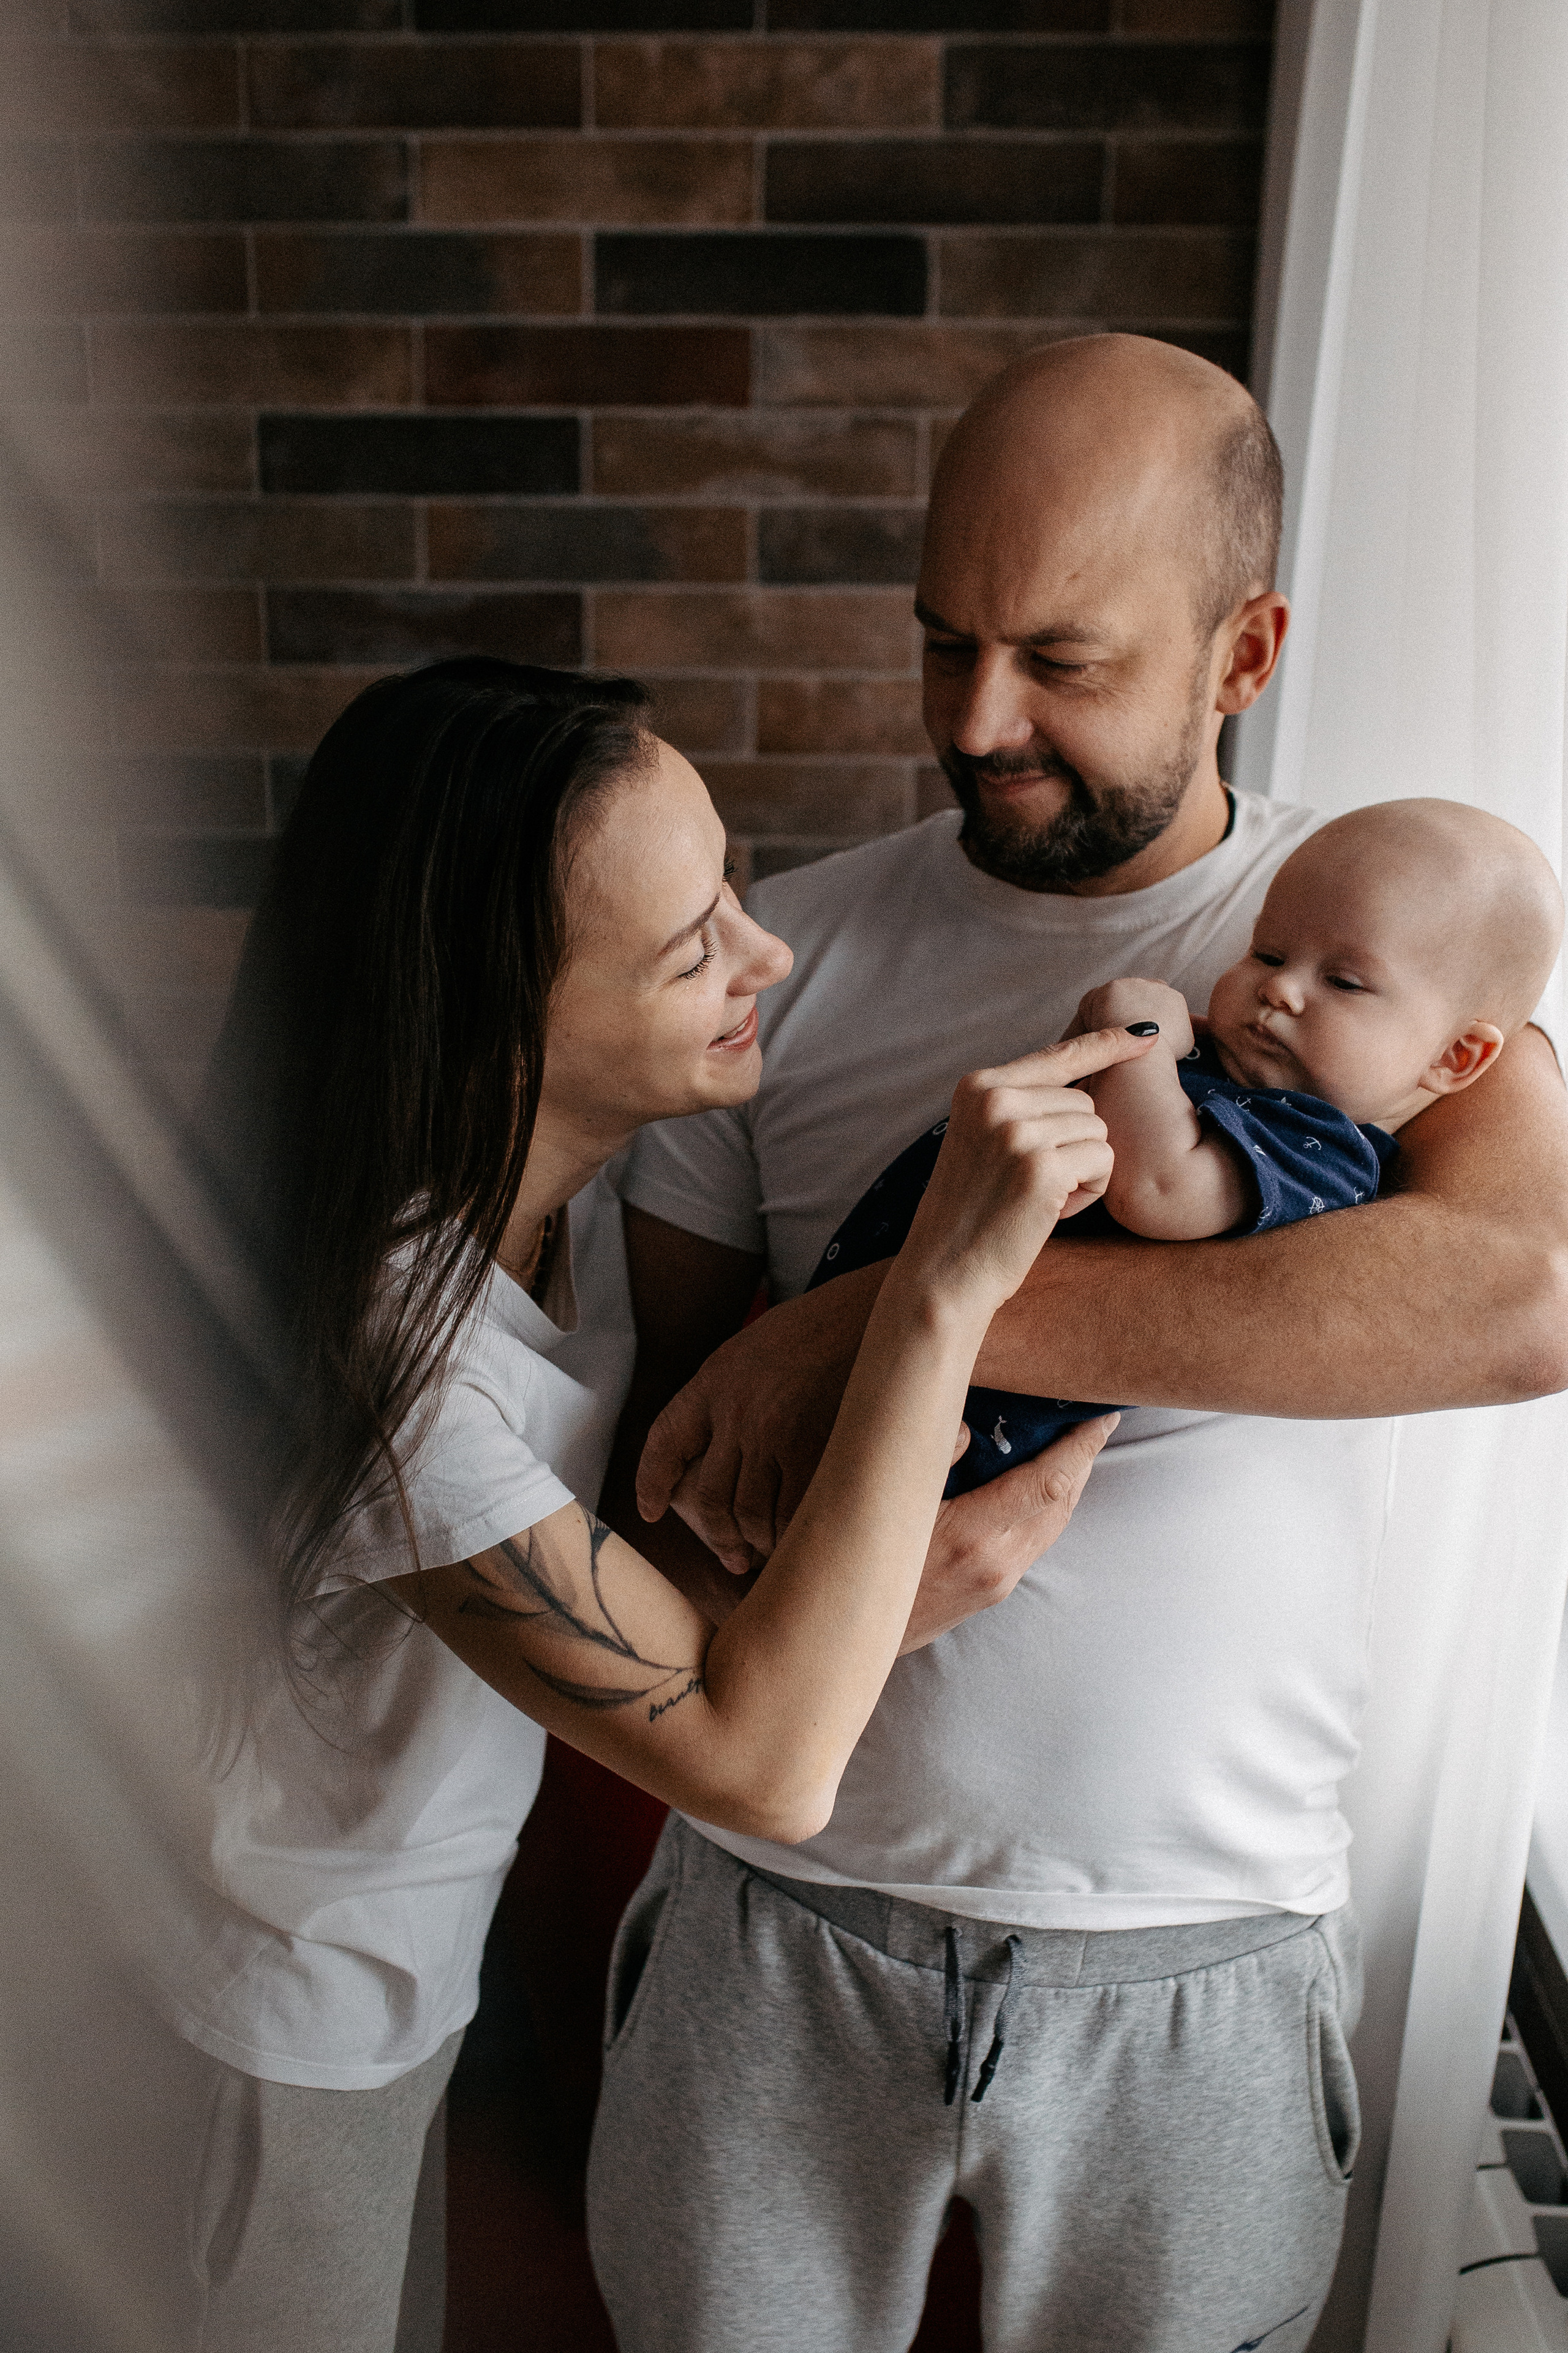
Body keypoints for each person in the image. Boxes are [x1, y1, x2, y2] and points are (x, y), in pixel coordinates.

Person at [586, 338, 1568, 2353]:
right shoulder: (776, 962)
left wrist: (889, 1318)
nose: (976, 720)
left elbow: (1520, 1298)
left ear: (1246, 648)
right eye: (946, 639)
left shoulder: (1370, 939)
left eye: (1062, 657)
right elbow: (659, 1482)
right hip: (779, 1931)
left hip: (1193, 1970)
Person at [160, 656, 1125, 2353]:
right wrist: (940, 1295)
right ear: (491, 1015)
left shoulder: (570, 1211)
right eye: (693, 950)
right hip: (257, 2021)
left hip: (400, 1979)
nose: (769, 957)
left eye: (734, 891)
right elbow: (763, 1763)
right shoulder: (402, 1366)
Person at [811, 797, 1564, 1495]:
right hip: (869, 1344)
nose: (1280, 991)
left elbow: (1159, 1189)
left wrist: (1135, 1040)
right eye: (1268, 954)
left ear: (1454, 1058)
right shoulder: (1231, 1077)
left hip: (953, 1425)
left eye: (1343, 982)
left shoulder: (1326, 1149)